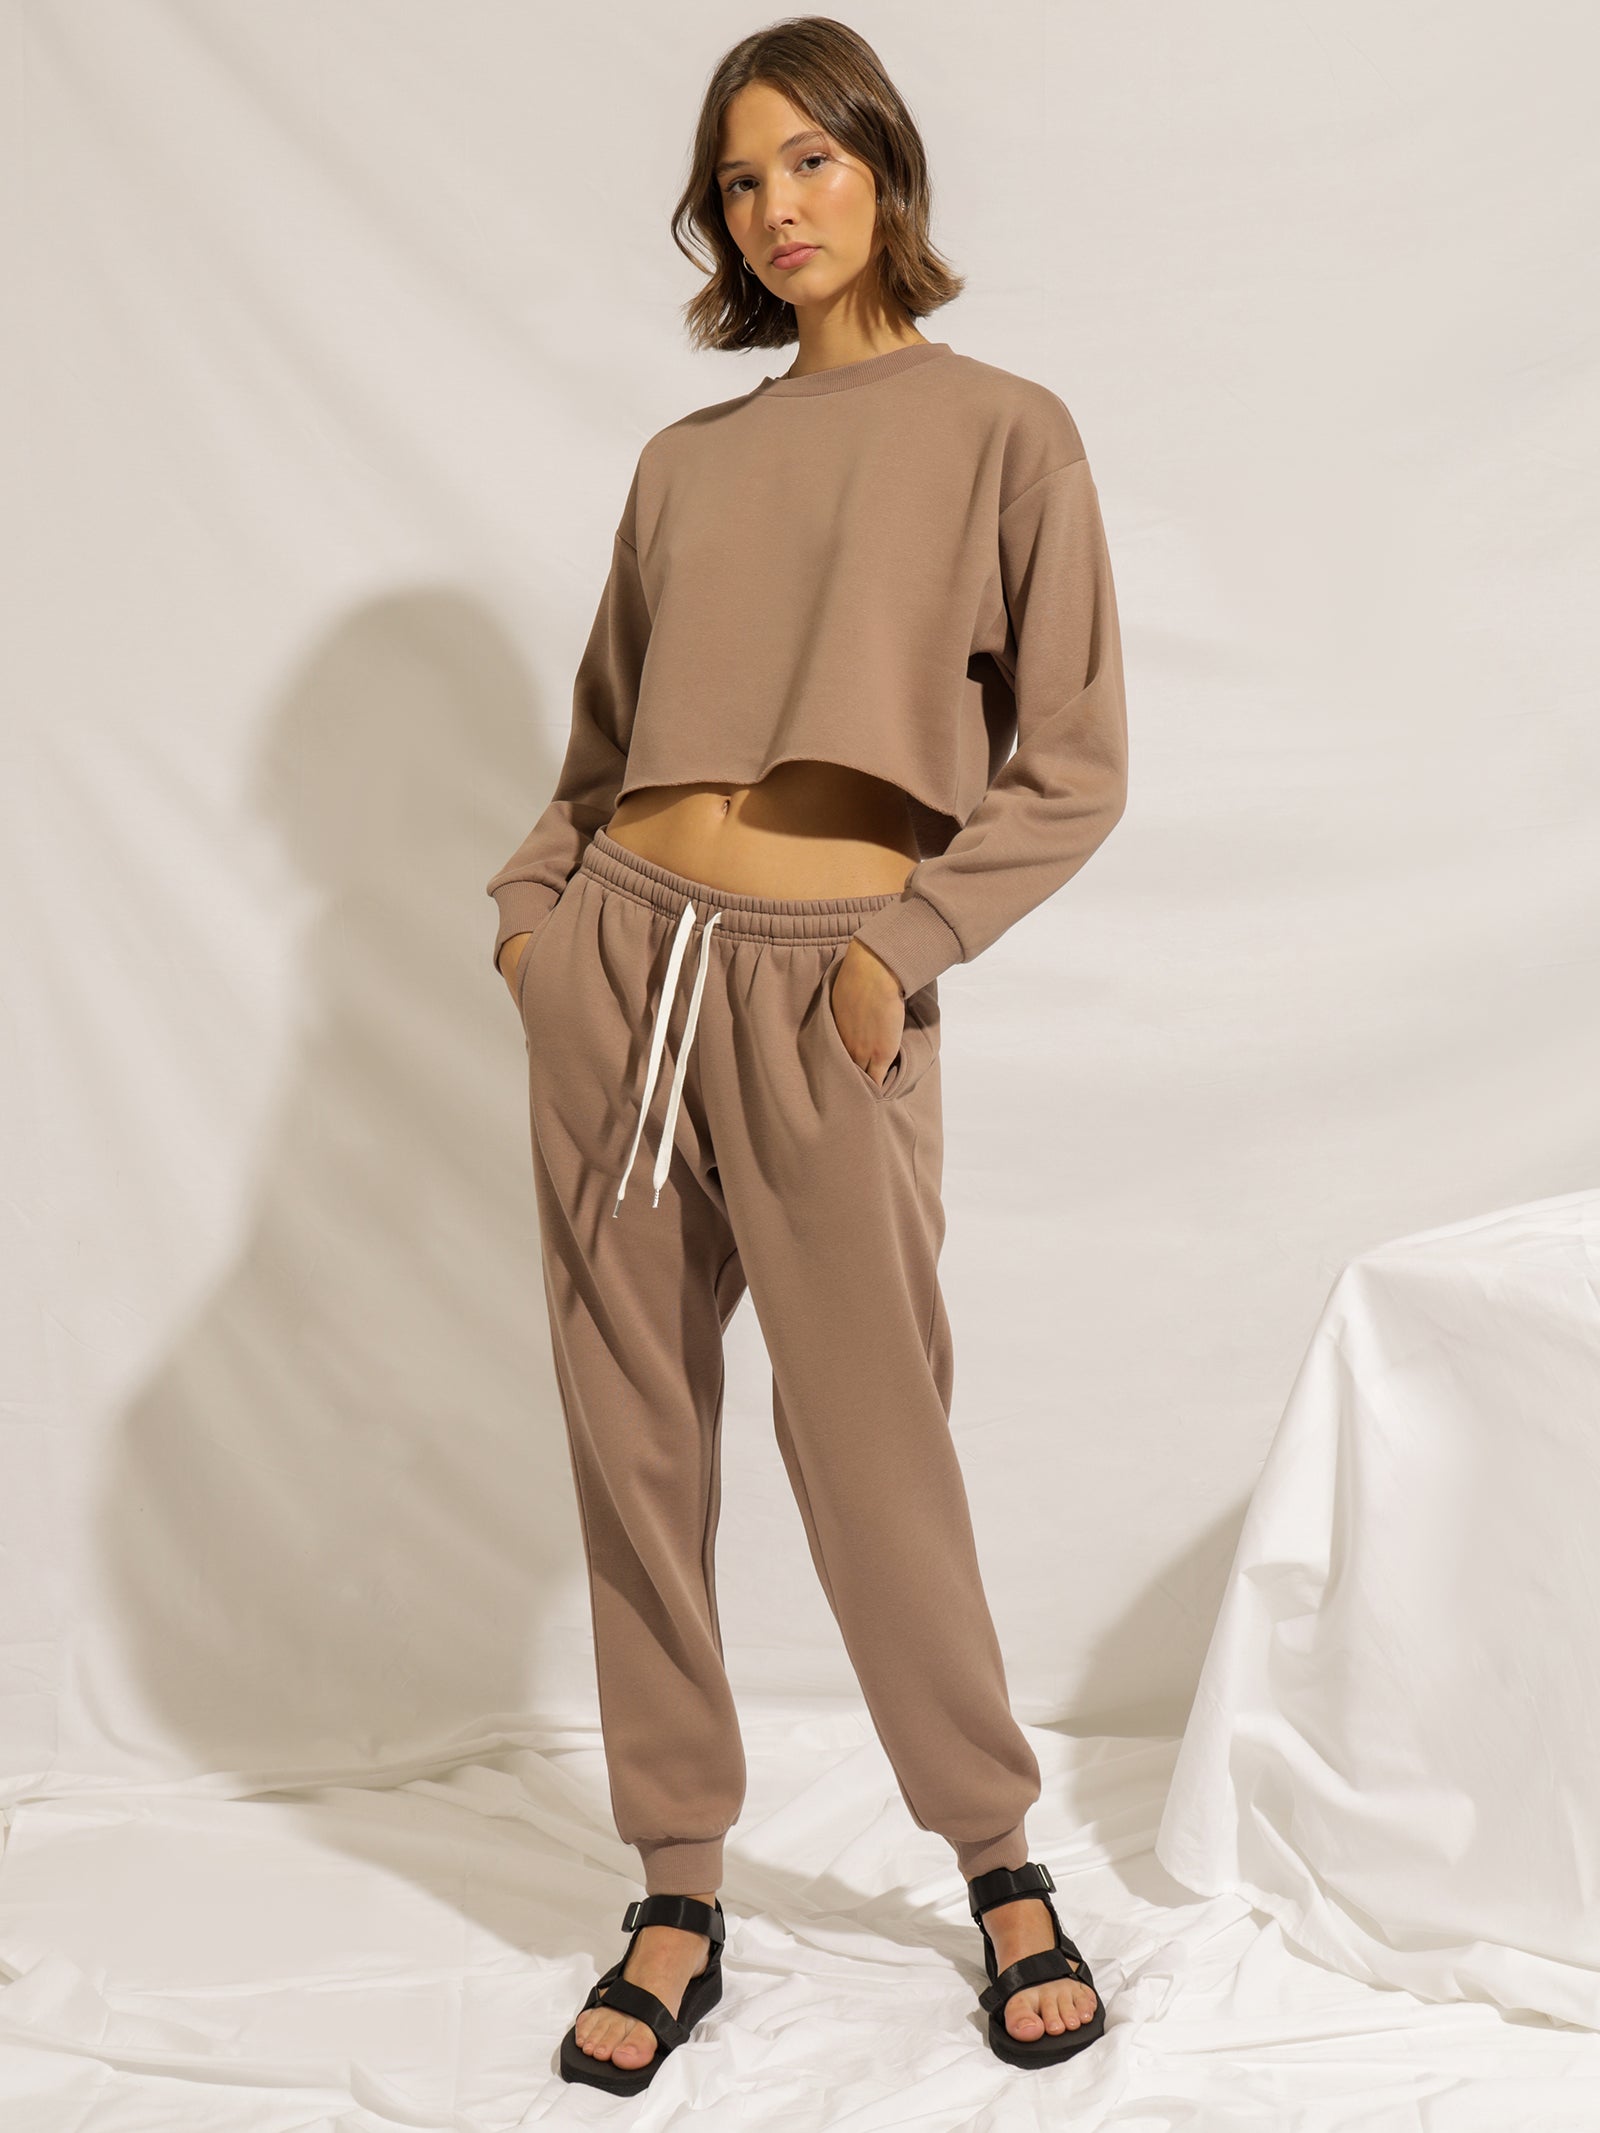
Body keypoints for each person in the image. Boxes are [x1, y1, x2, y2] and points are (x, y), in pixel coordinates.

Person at [488, 20, 1127, 2095]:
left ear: (885, 170)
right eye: (740, 179)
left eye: (810, 161)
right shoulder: (684, 464)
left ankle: (998, 1858)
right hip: (619, 973)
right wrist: (537, 925)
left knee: (875, 1449)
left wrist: (900, 947)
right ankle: (676, 1884)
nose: (777, 205)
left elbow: (1075, 760)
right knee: (634, 1440)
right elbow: (596, 749)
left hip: (822, 989)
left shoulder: (1005, 430)